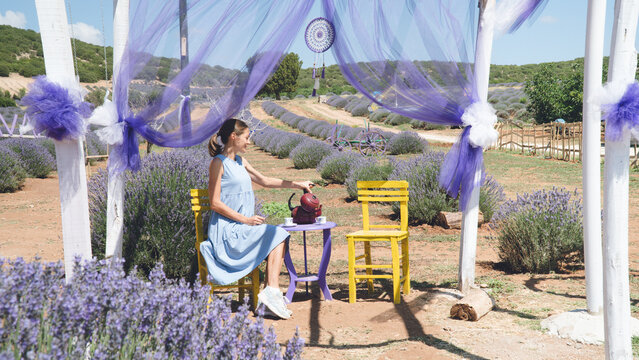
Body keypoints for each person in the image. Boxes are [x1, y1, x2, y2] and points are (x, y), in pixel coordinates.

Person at [200, 118, 313, 319]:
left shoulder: (241, 162)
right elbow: (215, 203)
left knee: (278, 234)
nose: (249, 142)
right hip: (227, 232)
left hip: (243, 229)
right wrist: (246, 220)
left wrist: (298, 184)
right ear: (233, 137)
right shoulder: (218, 163)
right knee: (277, 234)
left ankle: (272, 292)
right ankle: (271, 294)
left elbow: (265, 181)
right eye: (246, 137)